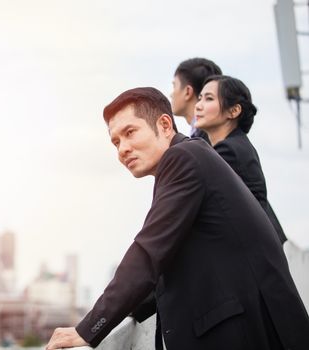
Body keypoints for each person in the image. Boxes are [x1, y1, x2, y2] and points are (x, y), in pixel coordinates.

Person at [46, 87, 309, 350]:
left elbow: (148, 253)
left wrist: (88, 329)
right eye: (116, 142)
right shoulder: (192, 157)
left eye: (130, 133)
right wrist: (133, 308)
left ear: (164, 124)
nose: (122, 149)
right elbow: (166, 262)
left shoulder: (183, 158)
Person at [195, 75, 287, 244]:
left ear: (234, 111)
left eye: (209, 99)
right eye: (199, 98)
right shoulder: (235, 145)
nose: (198, 105)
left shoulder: (229, 151)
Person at [170, 57, 221, 141]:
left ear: (188, 92)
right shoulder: (204, 135)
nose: (171, 94)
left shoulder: (206, 140)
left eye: (174, 86)